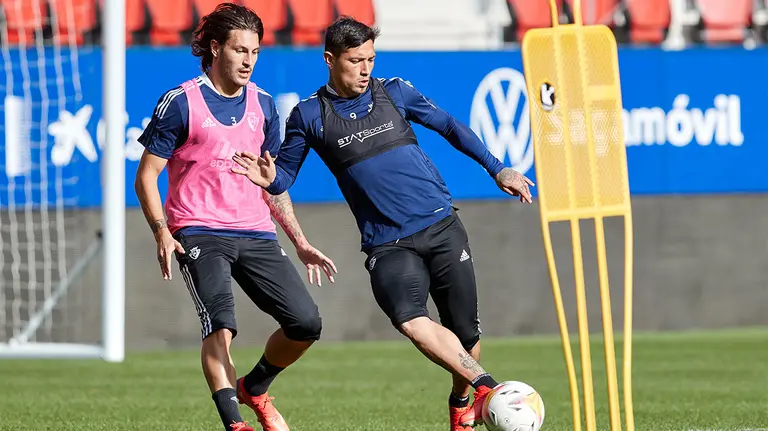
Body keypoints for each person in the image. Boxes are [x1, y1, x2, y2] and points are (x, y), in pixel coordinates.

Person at [231, 16, 535, 431]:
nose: (365, 68)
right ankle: (486, 387)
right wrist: (270, 180)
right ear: (329, 59)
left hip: (442, 225)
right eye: (356, 60)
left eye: (370, 58)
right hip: (388, 244)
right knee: (410, 319)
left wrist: (498, 170)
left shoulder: (394, 92)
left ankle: (461, 400)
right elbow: (283, 177)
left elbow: (448, 126)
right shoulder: (308, 115)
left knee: (466, 337)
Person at [134, 4, 337, 431]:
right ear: (215, 47)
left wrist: (300, 242)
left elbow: (272, 183)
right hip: (198, 228)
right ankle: (236, 424)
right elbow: (146, 177)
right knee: (220, 325)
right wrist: (162, 232)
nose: (248, 60)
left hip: (256, 231)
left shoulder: (264, 105)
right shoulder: (181, 102)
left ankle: (256, 388)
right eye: (240, 50)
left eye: (256, 52)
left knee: (305, 323)